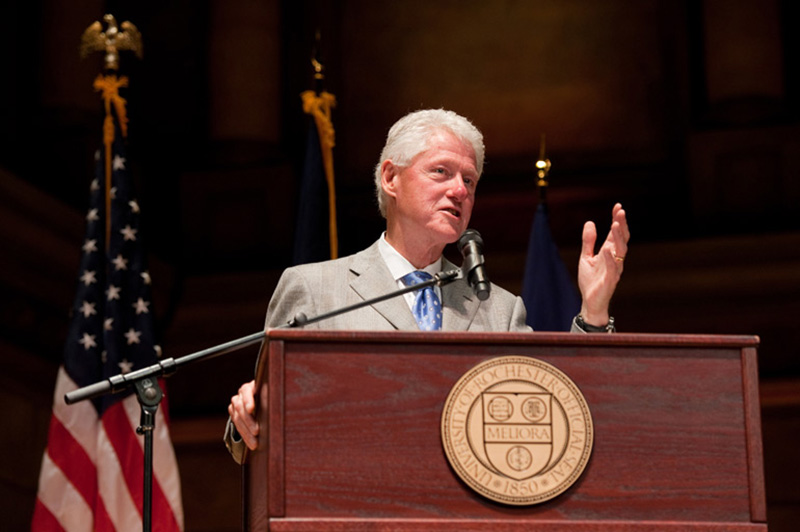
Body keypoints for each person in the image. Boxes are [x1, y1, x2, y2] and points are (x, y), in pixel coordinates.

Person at [225, 109, 629, 463]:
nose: (460, 190)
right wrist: (250, 411)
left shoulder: (499, 309)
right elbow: (254, 428)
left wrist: (594, 310)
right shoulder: (314, 290)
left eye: (469, 181)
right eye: (441, 171)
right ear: (390, 178)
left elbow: (555, 414)